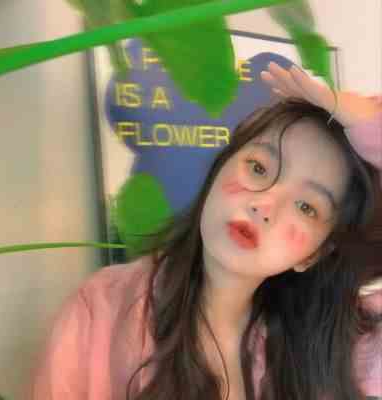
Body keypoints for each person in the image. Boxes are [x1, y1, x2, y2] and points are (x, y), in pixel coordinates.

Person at [28, 63, 382, 400]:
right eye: (259, 168)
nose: (264, 205)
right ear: (219, 168)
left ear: (314, 253)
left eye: (306, 207)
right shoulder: (103, 309)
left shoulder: (335, 348)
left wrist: (371, 121)